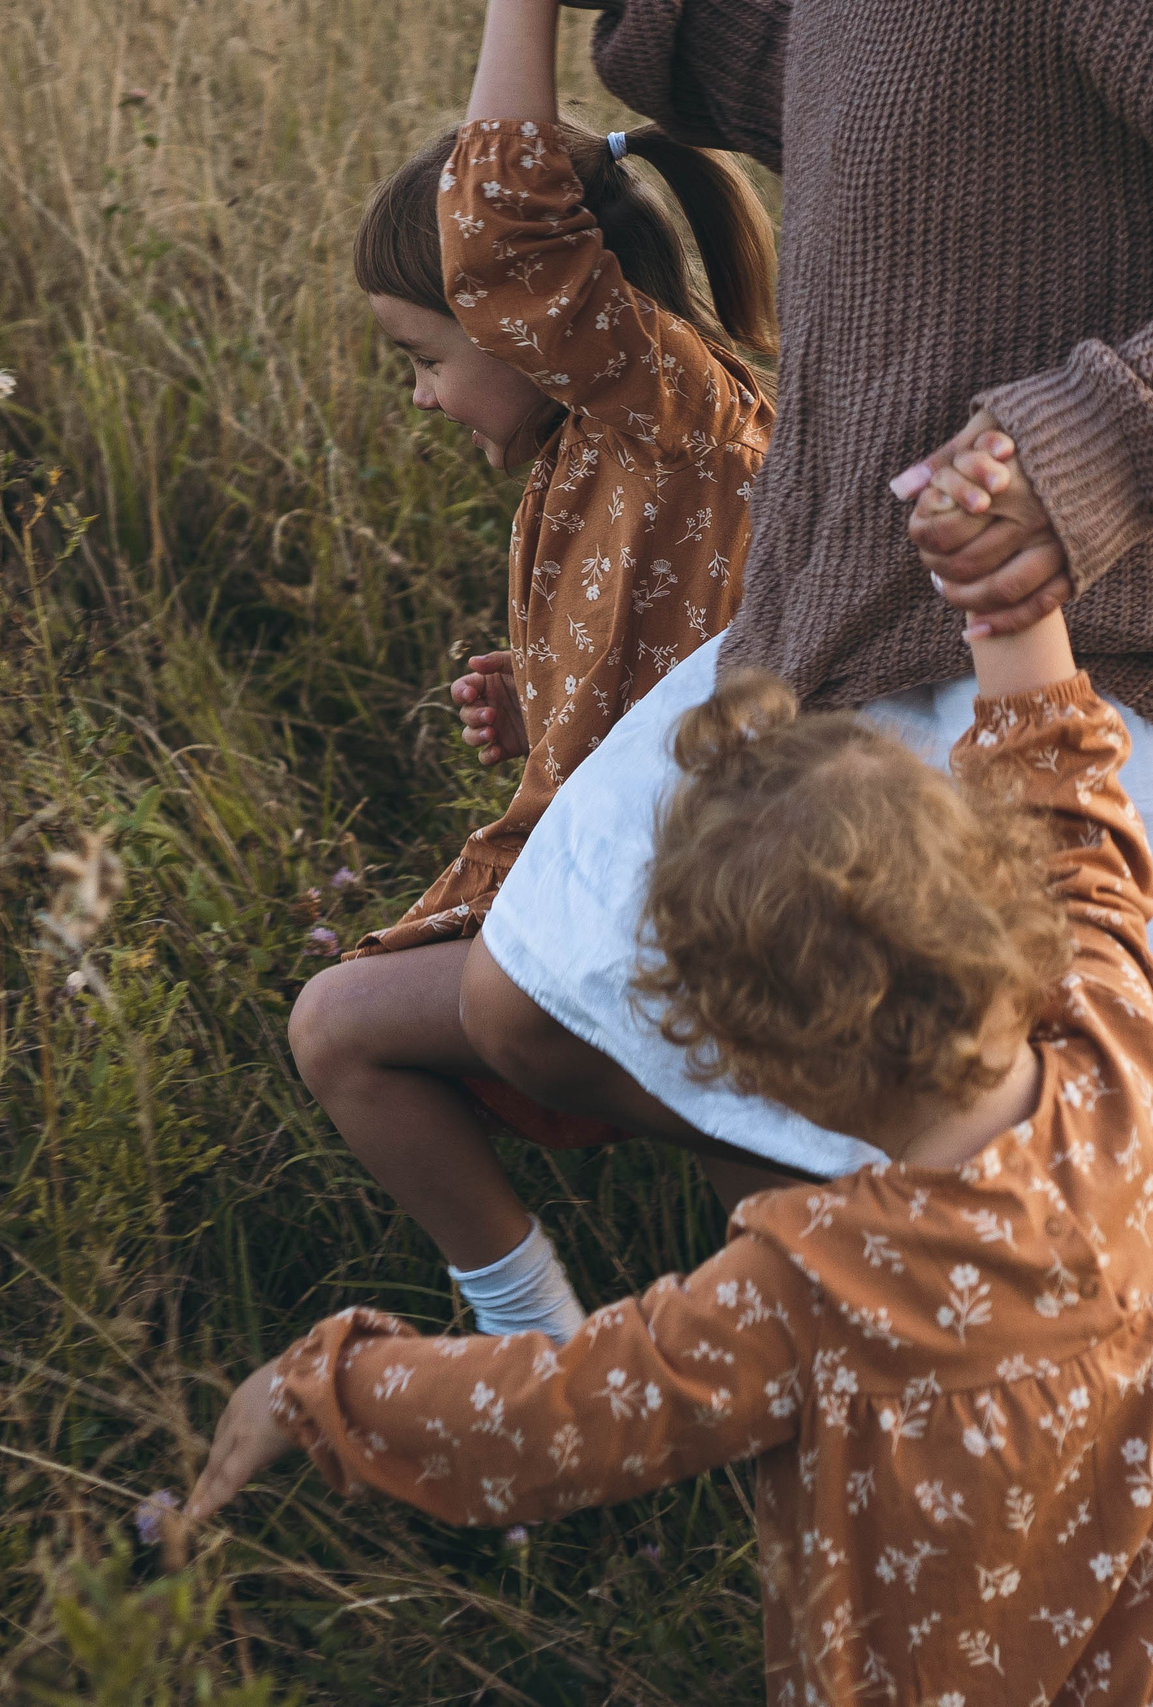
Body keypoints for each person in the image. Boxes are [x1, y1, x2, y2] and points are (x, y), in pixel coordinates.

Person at [187, 597, 1153, 1705]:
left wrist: (319, 1386)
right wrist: (1005, 601)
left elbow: (545, 1422)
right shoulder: (1124, 1056)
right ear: (999, 894)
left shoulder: (805, 1293)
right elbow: (1072, 798)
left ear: (742, 1067)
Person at [451, 0, 1153, 1198]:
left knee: (1059, 1215)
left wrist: (1107, 442)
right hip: (835, 622)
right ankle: (833, 1325)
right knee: (542, 1011)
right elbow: (836, 83)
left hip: (1109, 655)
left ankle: (924, 1354)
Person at [287, 0, 777, 1343]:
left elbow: (500, 221)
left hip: (707, 904)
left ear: (536, 315)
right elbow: (686, 646)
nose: (424, 396)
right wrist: (551, 700)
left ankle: (543, 1353)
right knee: (787, 1226)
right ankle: (642, 1371)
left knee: (341, 1029)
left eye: (426, 358)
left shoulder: (667, 411)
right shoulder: (600, 452)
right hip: (666, 877)